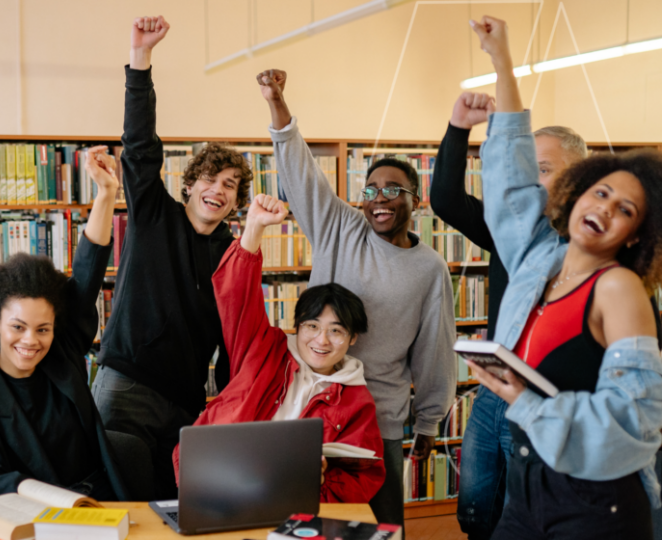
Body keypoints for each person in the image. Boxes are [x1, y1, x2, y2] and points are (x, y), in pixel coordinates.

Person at [466, 15, 662, 539]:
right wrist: (502, 61)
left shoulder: (619, 287)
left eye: (625, 208)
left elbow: (635, 422)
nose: (605, 208)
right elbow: (510, 175)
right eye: (601, 192)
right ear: (575, 195)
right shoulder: (538, 256)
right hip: (529, 482)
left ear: (635, 236)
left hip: (595, 500)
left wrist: (523, 401)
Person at [257, 69, 457, 528]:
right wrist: (277, 103)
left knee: (379, 527)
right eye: (370, 190)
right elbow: (301, 173)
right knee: (299, 523)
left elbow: (434, 348)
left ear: (416, 200)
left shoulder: (430, 268)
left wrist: (428, 422)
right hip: (314, 406)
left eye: (393, 189)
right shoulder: (340, 228)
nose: (379, 199)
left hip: (378, 417)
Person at [92, 15, 253, 500]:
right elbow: (140, 146)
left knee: (174, 509)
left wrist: (226, 405)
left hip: (186, 403)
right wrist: (140, 60)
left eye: (230, 185)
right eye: (210, 179)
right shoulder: (154, 214)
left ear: (236, 201)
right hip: (126, 387)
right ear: (190, 184)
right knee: (116, 504)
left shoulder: (232, 253)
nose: (218, 190)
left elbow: (236, 335)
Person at [429, 94, 588, 539]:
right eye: (524, 169)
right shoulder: (508, 232)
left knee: (524, 515)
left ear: (577, 175)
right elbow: (444, 198)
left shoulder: (595, 248)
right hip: (493, 393)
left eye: (543, 168)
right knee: (475, 510)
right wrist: (460, 125)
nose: (530, 182)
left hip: (545, 398)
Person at [0, 147, 130, 501]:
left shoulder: (63, 354)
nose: (31, 340)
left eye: (42, 329)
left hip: (104, 499)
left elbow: (87, 275)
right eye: (18, 326)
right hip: (34, 510)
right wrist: (62, 499)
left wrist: (106, 194)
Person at [172, 194, 386, 502]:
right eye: (312, 327)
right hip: (219, 483)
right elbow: (238, 295)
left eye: (336, 331)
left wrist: (317, 487)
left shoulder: (356, 399)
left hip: (291, 503)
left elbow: (363, 475)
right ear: (297, 327)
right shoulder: (263, 350)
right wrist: (255, 226)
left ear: (353, 338)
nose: (321, 341)